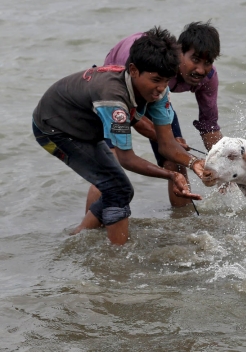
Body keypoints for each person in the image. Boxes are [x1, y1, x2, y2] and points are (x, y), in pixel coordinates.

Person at [32, 27, 204, 245]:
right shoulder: (113, 98)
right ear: (133, 70)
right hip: (53, 130)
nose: (160, 89)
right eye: (155, 80)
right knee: (117, 187)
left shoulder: (159, 91)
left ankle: (80, 238)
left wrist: (195, 163)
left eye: (166, 81)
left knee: (117, 188)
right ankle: (116, 259)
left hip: (87, 124)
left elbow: (167, 144)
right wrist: (170, 175)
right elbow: (126, 158)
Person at [86, 21, 223, 210]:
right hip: (118, 91)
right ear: (179, 52)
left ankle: (182, 224)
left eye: (207, 63)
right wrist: (167, 140)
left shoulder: (207, 79)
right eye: (195, 60)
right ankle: (91, 233)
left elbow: (209, 127)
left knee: (176, 160)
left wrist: (223, 165)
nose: (200, 70)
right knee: (111, 164)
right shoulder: (147, 64)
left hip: (155, 94)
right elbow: (132, 116)